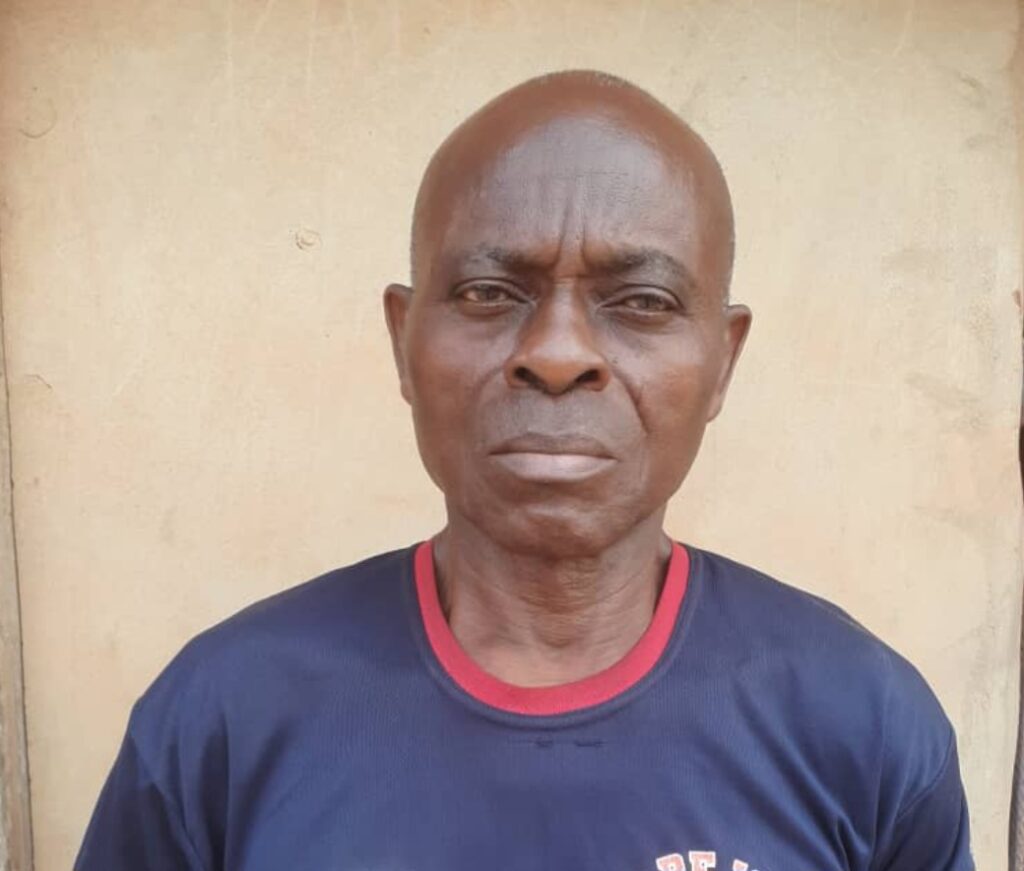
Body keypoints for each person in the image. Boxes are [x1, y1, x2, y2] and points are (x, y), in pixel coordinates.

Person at [75, 70, 973, 871]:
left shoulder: (864, 725)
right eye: (489, 293)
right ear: (403, 339)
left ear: (723, 362)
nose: (556, 354)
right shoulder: (220, 723)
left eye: (643, 302)